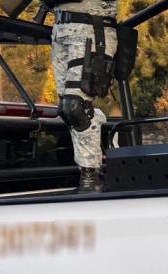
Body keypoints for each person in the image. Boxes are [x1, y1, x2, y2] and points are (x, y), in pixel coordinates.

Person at [48, 0, 118, 192]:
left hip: (91, 28)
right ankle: (100, 134)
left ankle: (90, 175)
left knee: (76, 107)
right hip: (61, 30)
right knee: (65, 110)